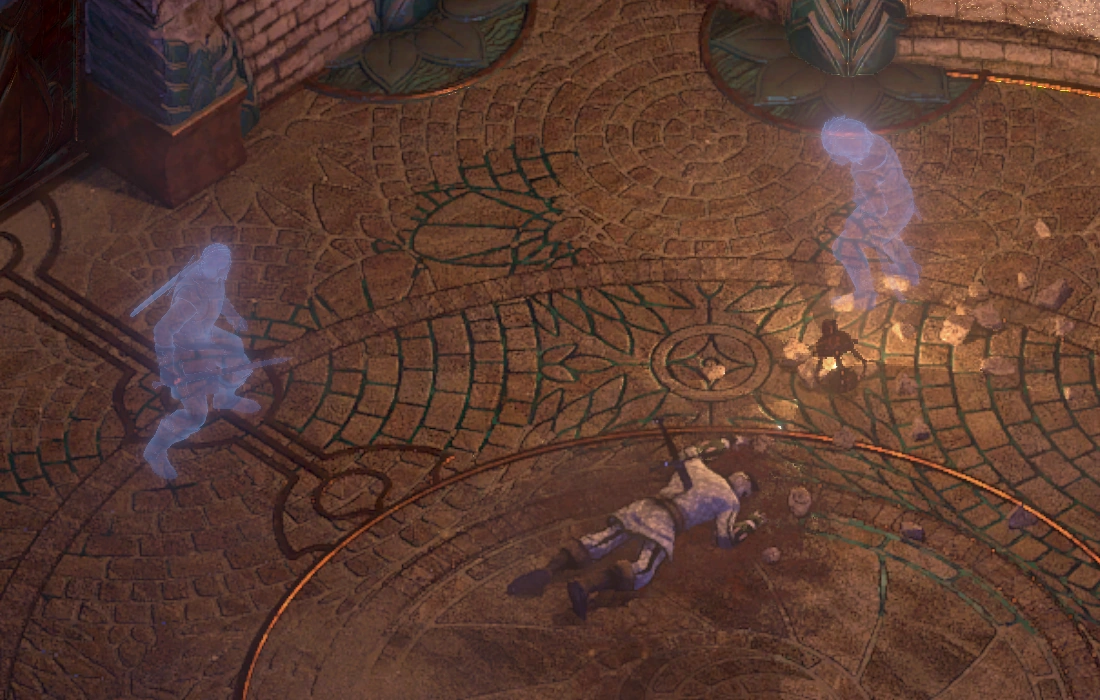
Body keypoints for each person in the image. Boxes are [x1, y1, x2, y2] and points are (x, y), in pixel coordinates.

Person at [507, 438, 765, 620]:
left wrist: (730, 441)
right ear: (744, 486)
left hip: (645, 506)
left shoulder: (697, 466)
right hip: (666, 522)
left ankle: (546, 571)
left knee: (599, 541)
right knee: (643, 570)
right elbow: (725, 539)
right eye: (747, 492)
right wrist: (752, 523)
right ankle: (586, 586)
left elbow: (691, 451)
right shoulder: (730, 501)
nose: (744, 495)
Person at [139, 244, 258, 480]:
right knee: (196, 415)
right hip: (186, 352)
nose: (221, 269)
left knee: (238, 359)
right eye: (216, 263)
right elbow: (163, 330)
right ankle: (155, 450)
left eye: (224, 264)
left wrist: (232, 315)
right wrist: (167, 368)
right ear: (206, 262)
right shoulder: (189, 297)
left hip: (205, 334)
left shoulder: (215, 275)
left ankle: (224, 397)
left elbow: (218, 295)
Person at [821, 117, 920, 309]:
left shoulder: (861, 171)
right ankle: (910, 271)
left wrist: (863, 213)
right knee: (868, 229)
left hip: (890, 211)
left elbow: (879, 208)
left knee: (843, 246)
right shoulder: (877, 141)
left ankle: (865, 295)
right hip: (904, 200)